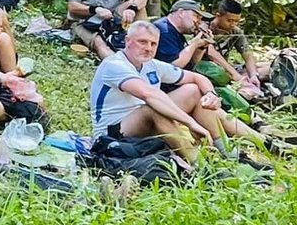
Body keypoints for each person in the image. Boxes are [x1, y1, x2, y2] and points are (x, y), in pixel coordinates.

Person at [88, 22, 262, 164]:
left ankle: (228, 152)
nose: (148, 48)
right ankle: (198, 163)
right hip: (113, 132)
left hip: (144, 122)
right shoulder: (114, 64)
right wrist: (190, 123)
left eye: (153, 43)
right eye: (142, 42)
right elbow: (148, 94)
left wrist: (211, 94)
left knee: (194, 91)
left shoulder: (152, 65)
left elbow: (196, 78)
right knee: (154, 107)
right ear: (128, 41)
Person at [151, 0, 254, 114]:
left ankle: (252, 118)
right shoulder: (164, 30)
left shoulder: (178, 33)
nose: (198, 21)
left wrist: (201, 46)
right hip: (166, 93)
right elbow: (173, 67)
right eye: (196, 16)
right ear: (181, 12)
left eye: (200, 18)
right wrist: (194, 44)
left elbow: (190, 65)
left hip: (181, 84)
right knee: (210, 90)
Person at [207, 0, 268, 90]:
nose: (233, 24)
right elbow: (211, 53)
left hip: (227, 68)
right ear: (218, 16)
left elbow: (247, 55)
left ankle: (247, 80)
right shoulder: (205, 27)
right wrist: (236, 76)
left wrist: (253, 75)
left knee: (269, 68)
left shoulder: (235, 31)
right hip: (210, 69)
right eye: (230, 20)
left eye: (236, 21)